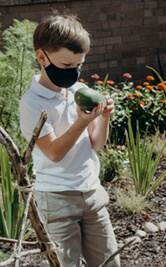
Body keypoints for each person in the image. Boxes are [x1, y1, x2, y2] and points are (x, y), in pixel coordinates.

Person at [19, 12, 120, 267]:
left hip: (91, 192)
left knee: (109, 262)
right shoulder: (32, 103)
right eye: (66, 66)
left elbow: (96, 144)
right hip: (56, 198)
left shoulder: (78, 91)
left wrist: (104, 118)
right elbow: (53, 152)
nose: (73, 72)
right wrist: (81, 122)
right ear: (42, 57)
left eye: (79, 65)